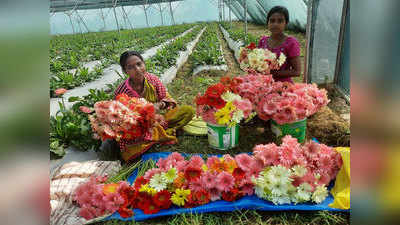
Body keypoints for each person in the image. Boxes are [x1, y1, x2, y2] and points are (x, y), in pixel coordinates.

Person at [112, 50, 194, 161]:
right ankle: (164, 134)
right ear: (125, 71)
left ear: (143, 63)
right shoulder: (122, 92)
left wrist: (160, 104)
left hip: (159, 119)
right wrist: (145, 112)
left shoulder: (152, 79)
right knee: (129, 148)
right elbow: (122, 120)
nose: (137, 69)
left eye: (139, 64)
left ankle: (159, 135)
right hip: (141, 128)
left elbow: (167, 99)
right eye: (130, 67)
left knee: (187, 111)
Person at [258, 6, 301, 83]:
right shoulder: (263, 41)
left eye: (280, 21)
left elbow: (297, 71)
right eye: (272, 21)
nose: (275, 24)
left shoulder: (291, 43)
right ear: (268, 22)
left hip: (283, 87)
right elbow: (258, 63)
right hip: (263, 84)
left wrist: (272, 73)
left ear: (286, 23)